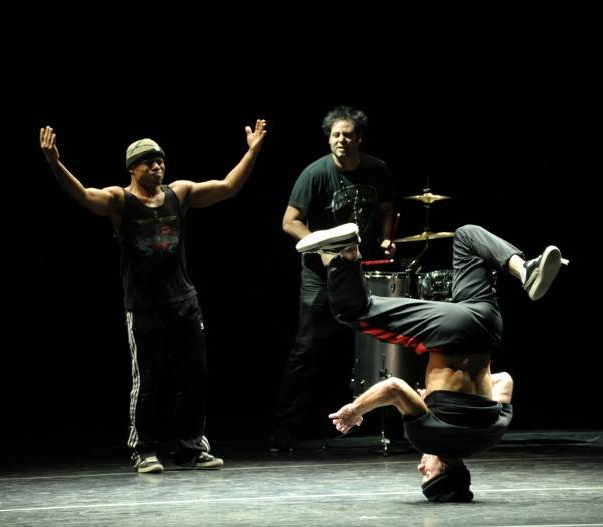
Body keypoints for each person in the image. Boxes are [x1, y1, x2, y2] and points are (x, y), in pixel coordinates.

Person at [39, 119, 268, 473]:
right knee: (147, 381)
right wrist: (55, 162)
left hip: (184, 301)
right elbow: (83, 195)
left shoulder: (180, 193)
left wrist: (252, 151)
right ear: (132, 168)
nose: (157, 166)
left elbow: (227, 187)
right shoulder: (120, 200)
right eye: (148, 162)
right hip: (144, 306)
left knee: (195, 377)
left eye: (160, 160)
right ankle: (143, 449)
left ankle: (190, 447)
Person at [296, 222, 566, 501]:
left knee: (467, 236)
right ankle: (347, 252)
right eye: (427, 474)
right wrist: (355, 410)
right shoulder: (428, 438)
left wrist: (453, 392)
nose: (420, 467)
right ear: (444, 471)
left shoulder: (490, 437)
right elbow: (394, 388)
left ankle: (523, 269)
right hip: (451, 331)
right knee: (355, 312)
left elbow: (504, 381)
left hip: (488, 325)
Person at [271, 106, 396, 451]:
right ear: (329, 139)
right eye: (335, 135)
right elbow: (289, 221)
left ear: (359, 139)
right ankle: (285, 428)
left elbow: (387, 208)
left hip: (359, 268)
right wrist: (321, 247)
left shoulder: (377, 169)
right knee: (308, 347)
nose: (341, 140)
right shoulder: (315, 173)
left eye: (347, 135)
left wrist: (387, 237)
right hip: (320, 272)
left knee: (369, 345)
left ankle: (368, 421)